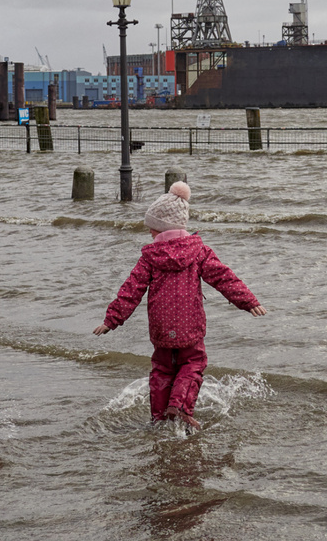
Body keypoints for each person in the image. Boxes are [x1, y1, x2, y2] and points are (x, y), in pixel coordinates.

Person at [94, 182, 266, 429]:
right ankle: (180, 407)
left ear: (162, 229)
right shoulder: (199, 251)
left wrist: (111, 320)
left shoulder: (150, 257)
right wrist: (248, 300)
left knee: (162, 370)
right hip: (190, 327)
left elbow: (131, 290)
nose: (150, 233)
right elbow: (223, 277)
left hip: (161, 329)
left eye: (153, 229)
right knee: (193, 364)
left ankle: (159, 418)